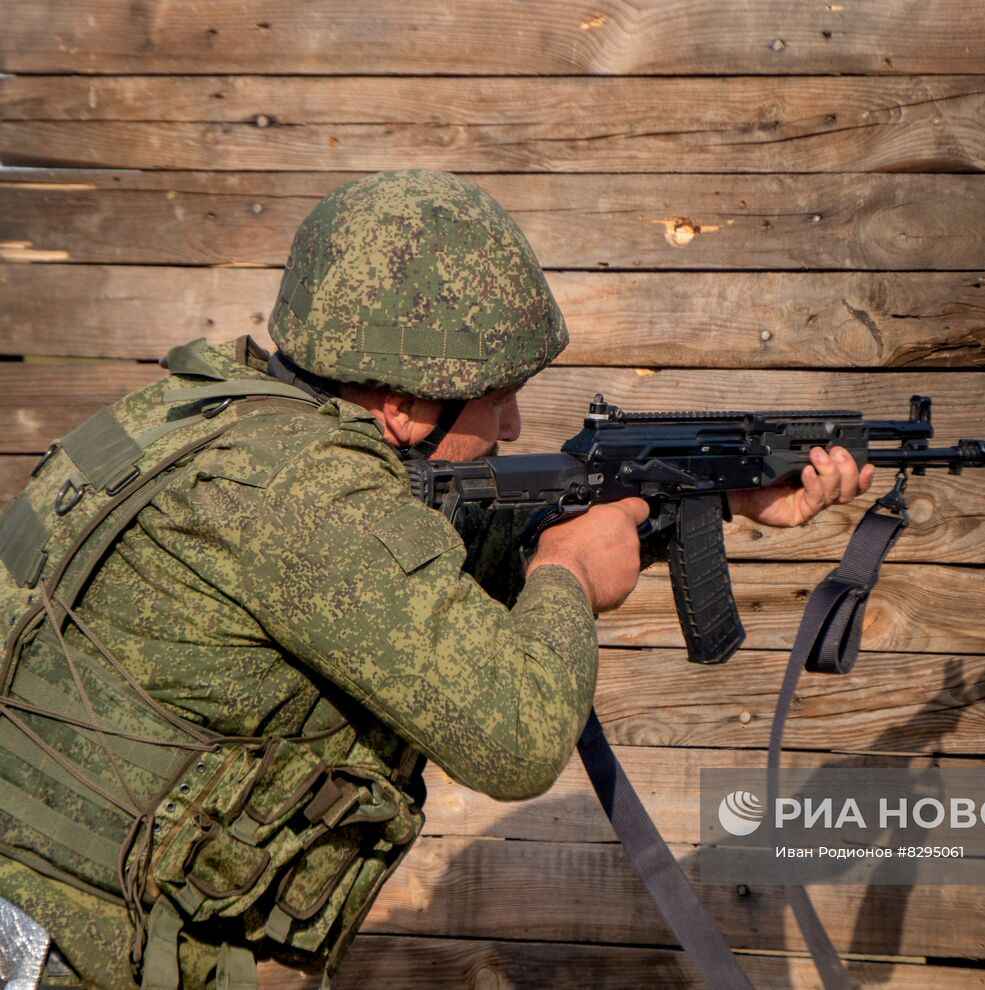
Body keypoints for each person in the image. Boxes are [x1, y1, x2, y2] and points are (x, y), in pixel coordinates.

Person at [0, 170, 872, 989]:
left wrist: (703, 501)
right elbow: (518, 738)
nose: (515, 422)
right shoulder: (308, 498)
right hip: (67, 953)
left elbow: (424, 580)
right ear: (402, 404)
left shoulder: (198, 417)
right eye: (496, 397)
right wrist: (567, 573)